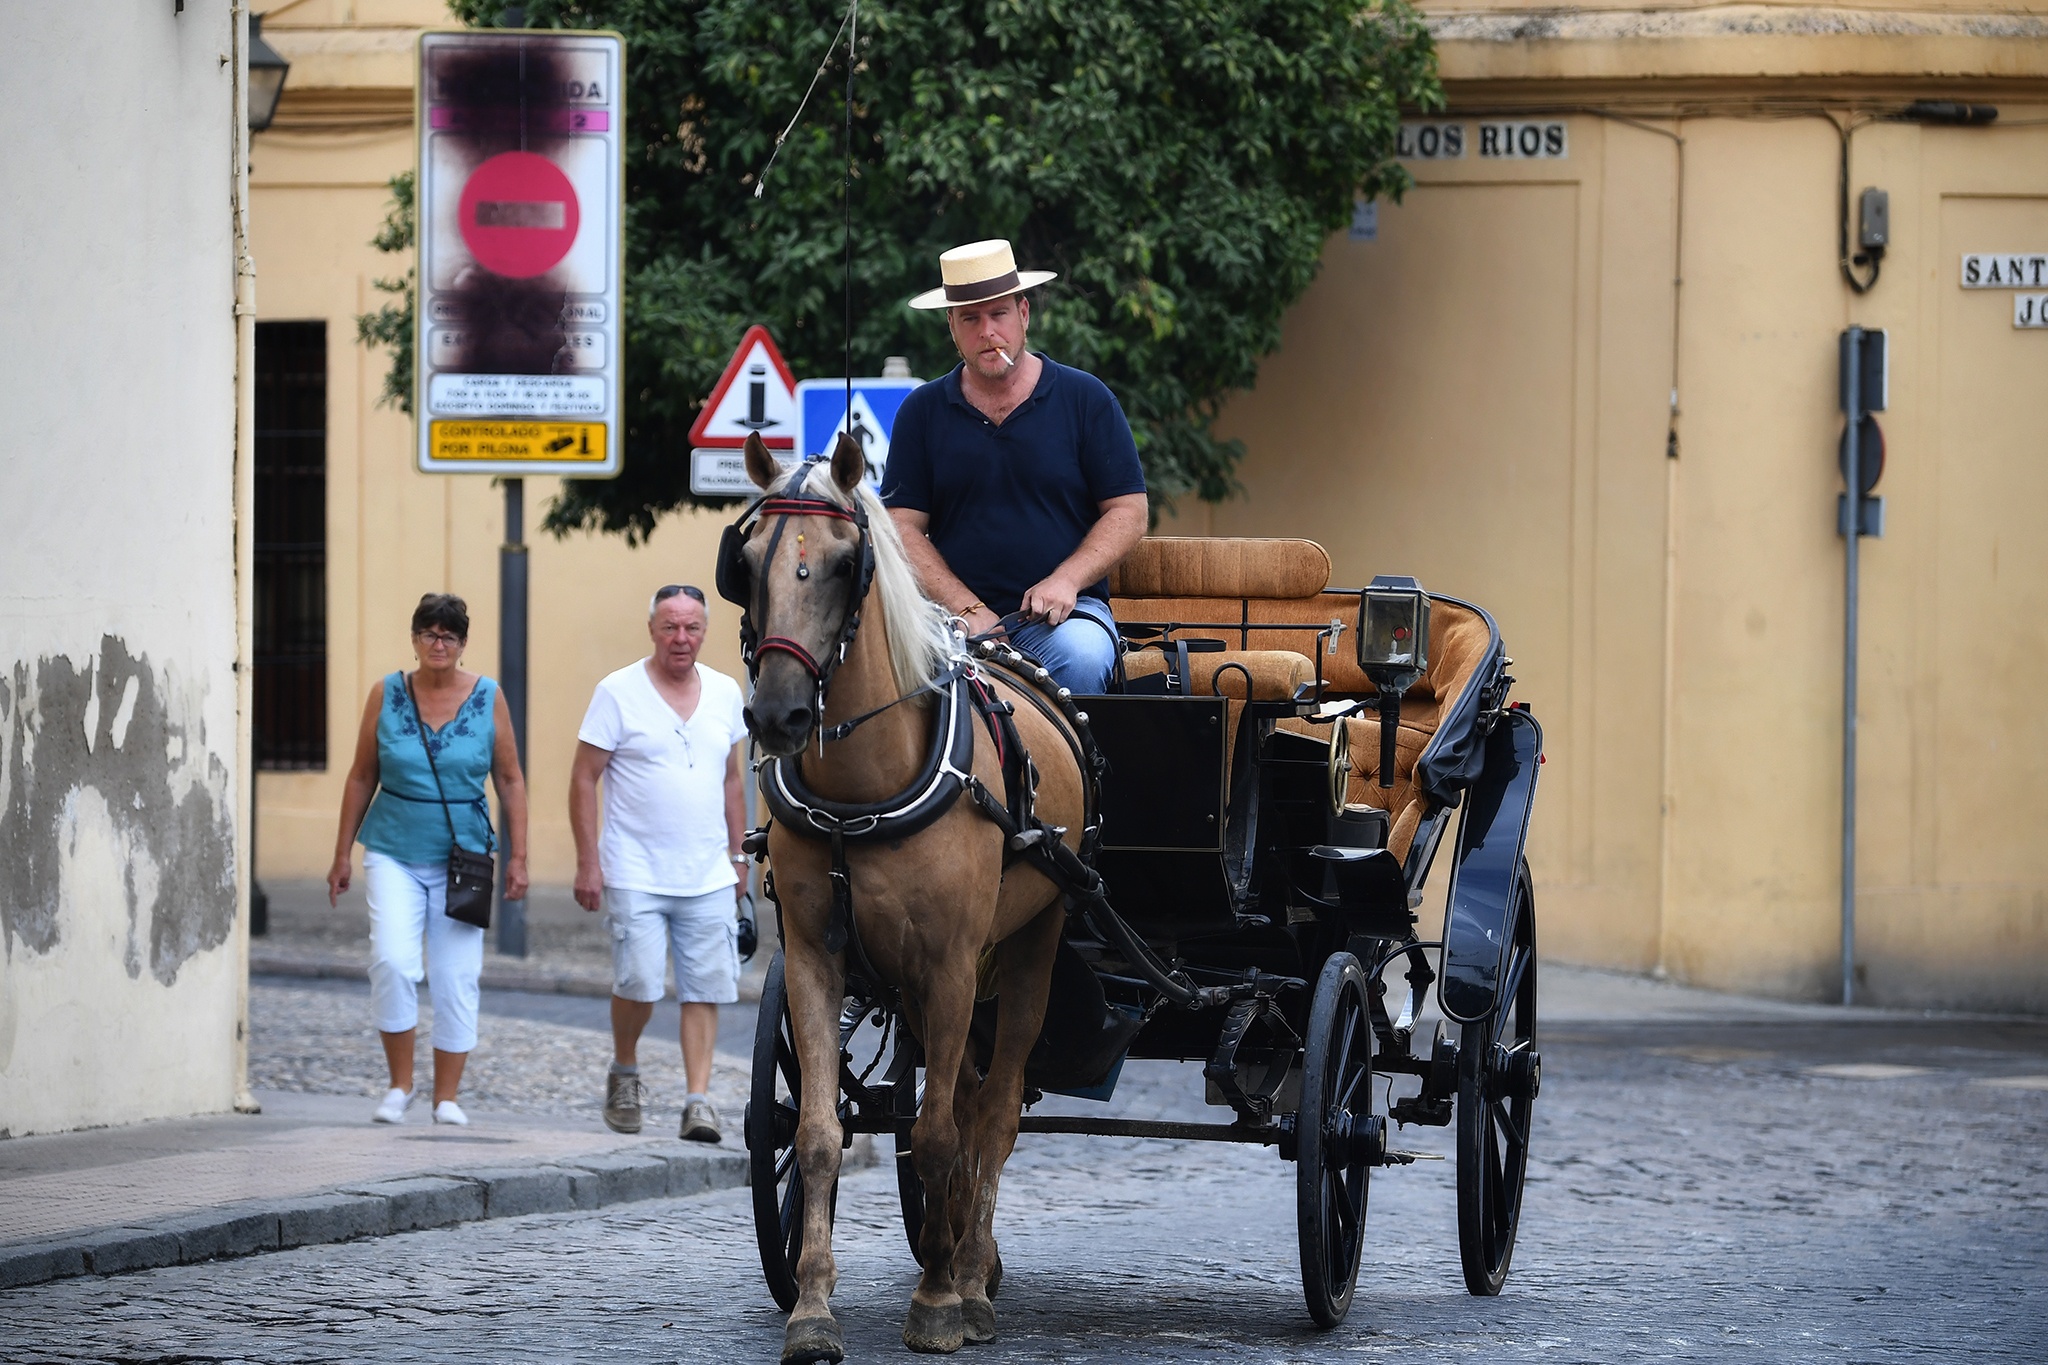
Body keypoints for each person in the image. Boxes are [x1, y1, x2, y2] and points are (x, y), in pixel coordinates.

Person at [881, 238, 1149, 694]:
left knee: (1083, 658)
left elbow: (1130, 511)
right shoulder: (921, 411)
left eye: (999, 314)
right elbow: (900, 526)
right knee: (892, 685)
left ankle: (1081, 770)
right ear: (951, 326)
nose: (987, 331)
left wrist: (1066, 580)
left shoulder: (1086, 399)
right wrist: (966, 610)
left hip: (1067, 618)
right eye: (970, 318)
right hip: (953, 624)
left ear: (1023, 314)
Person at [326, 593, 529, 1127]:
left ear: (463, 645)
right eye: (429, 634)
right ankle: (399, 1084)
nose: (438, 644)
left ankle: (446, 1096)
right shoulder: (386, 693)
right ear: (414, 638)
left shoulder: (489, 697)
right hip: (393, 847)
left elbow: (509, 779)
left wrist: (519, 857)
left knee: (456, 975)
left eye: (449, 636)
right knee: (392, 961)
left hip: (464, 857)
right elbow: (360, 775)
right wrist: (341, 853)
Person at [570, 584, 749, 1142]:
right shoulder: (617, 692)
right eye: (670, 626)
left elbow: (731, 778)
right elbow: (583, 777)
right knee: (639, 983)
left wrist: (740, 853)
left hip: (708, 874)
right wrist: (587, 863)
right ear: (652, 629)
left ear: (704, 632)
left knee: (704, 988)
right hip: (634, 869)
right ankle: (625, 1068)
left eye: (692, 627)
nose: (681, 638)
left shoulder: (724, 692)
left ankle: (698, 1101)